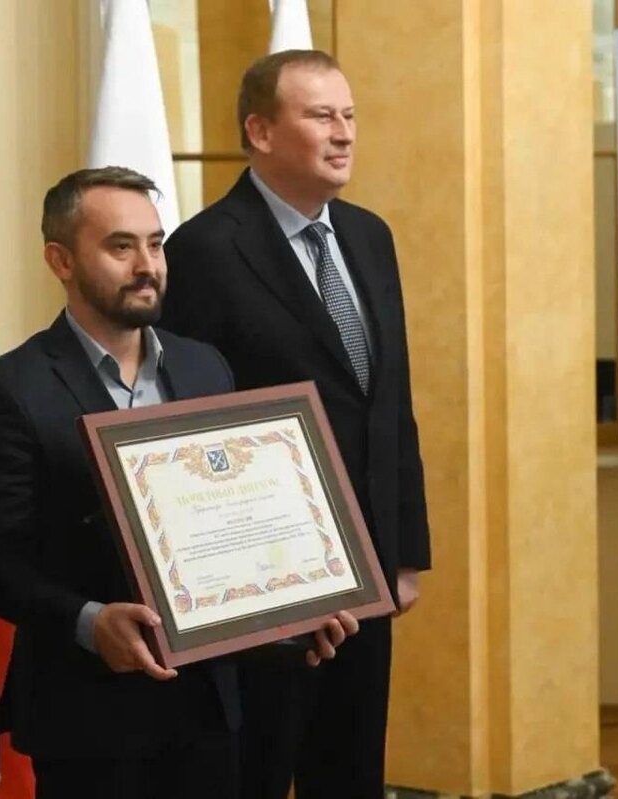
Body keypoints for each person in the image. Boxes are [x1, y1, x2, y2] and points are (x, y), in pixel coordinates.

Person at [0, 167, 356, 799]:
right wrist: (90, 621)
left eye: (155, 244)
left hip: (211, 710)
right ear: (60, 260)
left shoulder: (206, 366)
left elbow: (240, 523)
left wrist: (296, 610)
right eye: (120, 246)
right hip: (89, 721)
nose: (146, 265)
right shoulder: (11, 388)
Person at [161, 50, 432, 799]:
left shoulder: (369, 236)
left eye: (349, 116)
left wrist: (404, 549)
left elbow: (390, 400)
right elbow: (191, 428)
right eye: (320, 116)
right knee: (259, 770)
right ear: (260, 131)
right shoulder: (203, 251)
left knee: (350, 772)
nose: (343, 133)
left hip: (367, 563)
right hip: (266, 578)